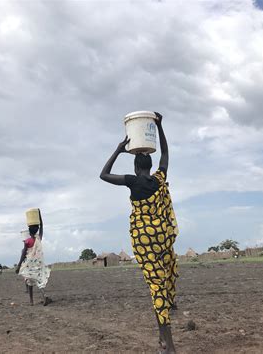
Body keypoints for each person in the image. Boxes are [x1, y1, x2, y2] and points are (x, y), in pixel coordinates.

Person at [100, 112, 179, 354]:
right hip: (162, 240)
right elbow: (165, 154)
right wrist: (160, 127)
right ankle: (162, 339)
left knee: (155, 287)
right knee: (162, 283)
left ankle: (169, 344)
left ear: (136, 166)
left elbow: (103, 174)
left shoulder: (133, 182)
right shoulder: (160, 179)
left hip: (145, 244)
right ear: (151, 166)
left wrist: (118, 149)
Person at [15, 209, 52, 306]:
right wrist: (39, 215)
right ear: (37, 230)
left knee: (29, 282)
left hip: (30, 265)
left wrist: (19, 266)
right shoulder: (39, 238)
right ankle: (44, 297)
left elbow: (24, 254)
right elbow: (42, 226)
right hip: (38, 265)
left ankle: (31, 301)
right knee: (40, 281)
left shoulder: (27, 241)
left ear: (28, 231)